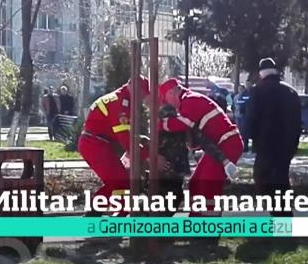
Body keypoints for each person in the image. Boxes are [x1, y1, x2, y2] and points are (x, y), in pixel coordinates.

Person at [78, 76, 169, 215]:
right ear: (133, 87)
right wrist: (149, 157)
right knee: (122, 182)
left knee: (116, 181)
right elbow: (125, 139)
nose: (142, 100)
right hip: (95, 145)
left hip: (97, 143)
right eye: (142, 95)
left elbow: (125, 134)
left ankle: (94, 214)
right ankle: (118, 218)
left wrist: (141, 143)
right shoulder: (121, 104)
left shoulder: (121, 99)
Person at [159, 78, 243, 219]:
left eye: (165, 97)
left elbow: (182, 124)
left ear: (172, 92)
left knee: (208, 184)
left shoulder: (190, 100)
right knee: (196, 182)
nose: (166, 102)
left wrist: (161, 123)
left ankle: (209, 227)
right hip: (220, 145)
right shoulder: (189, 101)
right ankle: (196, 219)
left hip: (227, 143)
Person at [246, 58, 301, 217]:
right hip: (287, 146)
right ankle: (285, 215)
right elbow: (297, 122)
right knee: (282, 180)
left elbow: (251, 118)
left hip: (266, 145)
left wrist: (250, 139)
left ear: (261, 73)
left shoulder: (258, 90)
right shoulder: (290, 91)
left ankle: (278, 213)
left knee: (263, 179)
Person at [233, 85, 250, 152]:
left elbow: (247, 105)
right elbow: (234, 106)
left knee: (244, 132)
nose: (240, 90)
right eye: (239, 89)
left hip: (244, 116)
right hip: (237, 115)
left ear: (243, 89)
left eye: (241, 89)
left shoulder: (246, 96)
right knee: (238, 132)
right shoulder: (236, 97)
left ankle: (245, 147)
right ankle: (239, 146)